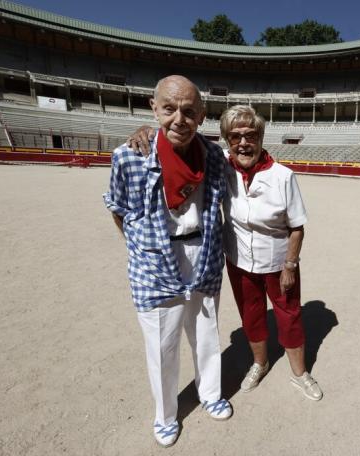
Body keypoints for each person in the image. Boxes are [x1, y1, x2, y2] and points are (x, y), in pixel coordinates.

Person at [128, 105, 323, 401]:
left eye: (250, 135)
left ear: (260, 137)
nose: (243, 142)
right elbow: (182, 139)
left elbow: (297, 227)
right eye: (235, 137)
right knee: (251, 315)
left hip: (278, 261)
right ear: (227, 141)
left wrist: (290, 265)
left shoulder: (283, 176)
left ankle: (300, 373)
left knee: (289, 316)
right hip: (239, 261)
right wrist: (149, 133)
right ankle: (260, 363)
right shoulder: (220, 164)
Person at [104, 75, 232, 448]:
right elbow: (118, 208)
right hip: (155, 262)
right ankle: (166, 415)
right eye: (169, 109)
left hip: (203, 253)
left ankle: (210, 393)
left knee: (206, 333)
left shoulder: (213, 157)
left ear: (202, 116)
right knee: (162, 345)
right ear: (153, 107)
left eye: (189, 111)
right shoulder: (128, 155)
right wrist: (142, 248)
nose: (179, 118)